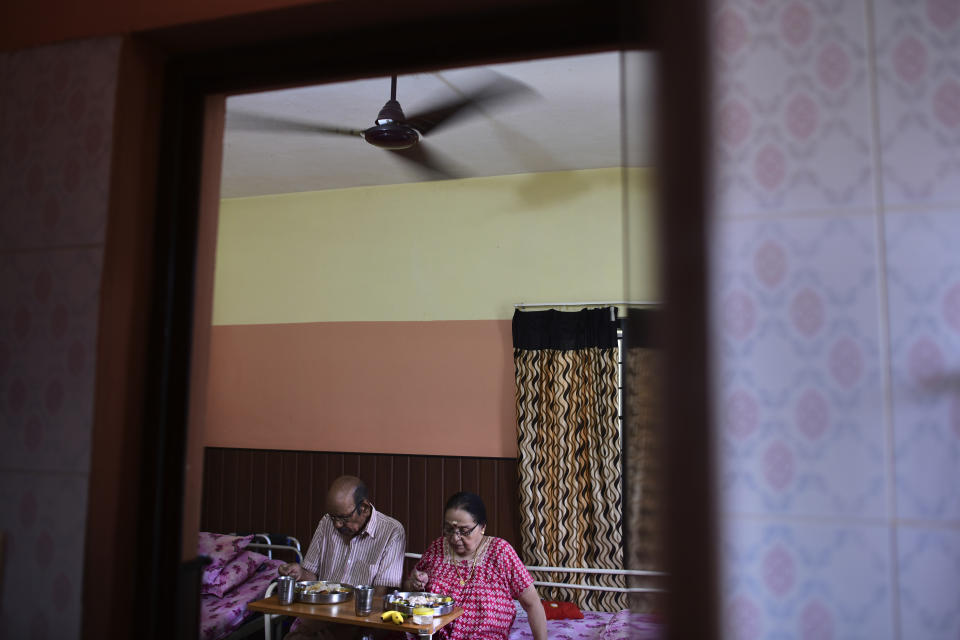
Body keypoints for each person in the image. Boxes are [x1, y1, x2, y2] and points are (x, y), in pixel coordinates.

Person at [405, 491, 547, 640]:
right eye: (449, 529)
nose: (455, 538)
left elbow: (533, 604)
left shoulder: (501, 552)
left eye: (464, 531)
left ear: (482, 527)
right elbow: (408, 588)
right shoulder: (437, 547)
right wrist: (414, 584)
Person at [279, 475, 406, 640]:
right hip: (320, 615)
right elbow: (311, 576)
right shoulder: (326, 522)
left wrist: (337, 618)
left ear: (365, 508)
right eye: (333, 517)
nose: (337, 524)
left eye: (344, 518)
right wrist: (299, 574)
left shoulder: (392, 531)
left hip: (360, 622)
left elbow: (378, 598)